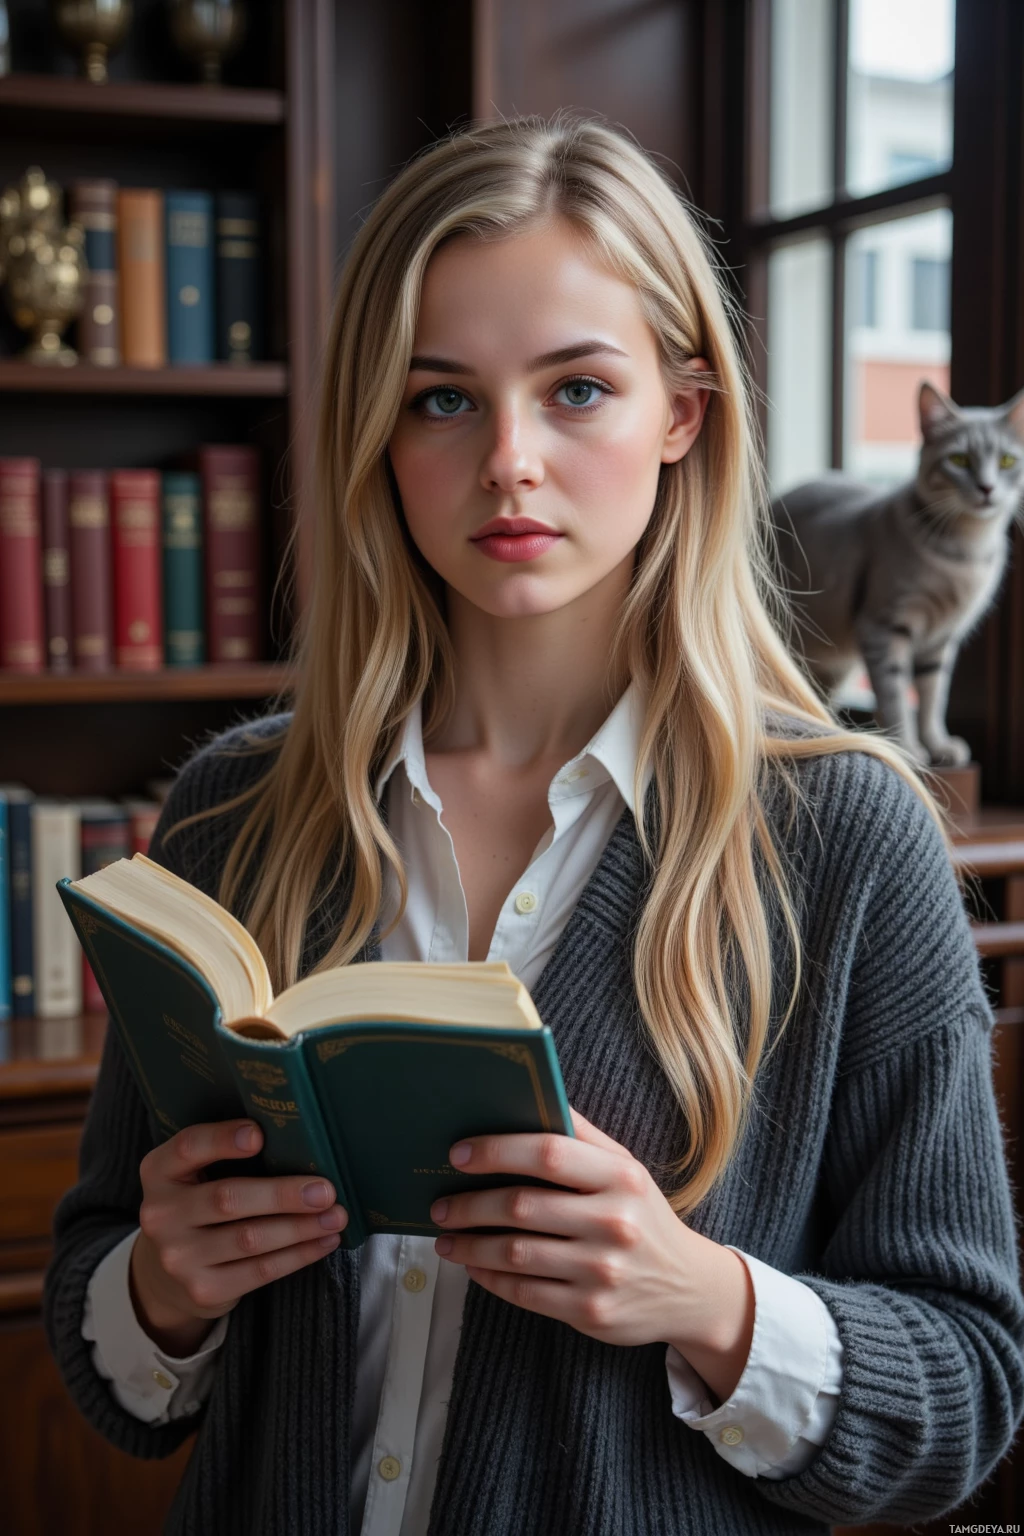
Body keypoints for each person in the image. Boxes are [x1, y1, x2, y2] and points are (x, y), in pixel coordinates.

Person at [45, 110, 1024, 1536]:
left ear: (682, 414)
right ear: (380, 429)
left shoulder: (849, 841)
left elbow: (971, 1394)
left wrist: (702, 1298)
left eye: (576, 390)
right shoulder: (230, 817)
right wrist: (161, 1290)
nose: (509, 460)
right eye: (444, 398)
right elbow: (106, 1348)